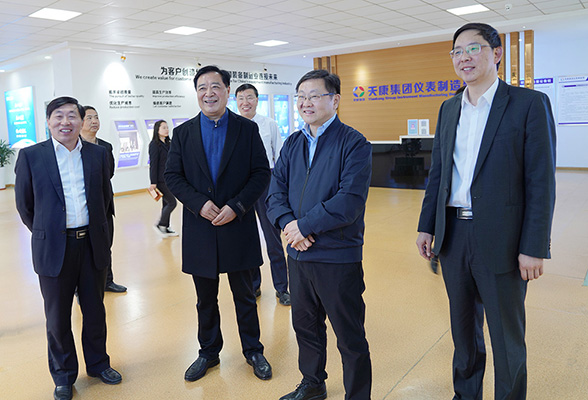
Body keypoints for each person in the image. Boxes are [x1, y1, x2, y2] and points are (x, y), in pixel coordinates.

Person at [416, 22, 556, 400]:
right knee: (463, 332)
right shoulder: (449, 108)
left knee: (506, 337)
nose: (464, 57)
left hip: (504, 238)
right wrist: (427, 226)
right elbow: (439, 173)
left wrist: (534, 246)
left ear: (496, 53)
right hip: (453, 237)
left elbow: (541, 181)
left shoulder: (528, 104)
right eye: (457, 51)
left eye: (473, 48)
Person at [267, 70, 372, 400]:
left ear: (335, 100)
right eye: (300, 96)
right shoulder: (293, 143)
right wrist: (289, 224)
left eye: (314, 95)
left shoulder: (353, 143)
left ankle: (358, 395)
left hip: (337, 256)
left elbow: (349, 201)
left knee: (349, 334)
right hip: (298, 255)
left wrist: (304, 226)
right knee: (305, 326)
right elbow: (275, 192)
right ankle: (313, 383)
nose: (305, 103)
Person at [164, 65, 272, 382]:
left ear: (227, 91)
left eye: (215, 87)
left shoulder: (246, 129)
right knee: (205, 300)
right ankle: (208, 352)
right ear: (196, 93)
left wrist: (237, 206)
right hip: (201, 227)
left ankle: (253, 350)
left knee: (245, 296)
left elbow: (260, 173)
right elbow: (173, 176)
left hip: (237, 225)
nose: (208, 93)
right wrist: (199, 204)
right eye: (202, 87)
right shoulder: (183, 133)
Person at [14, 97, 123, 400]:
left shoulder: (98, 154)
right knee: (58, 317)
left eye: (72, 116)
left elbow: (104, 199)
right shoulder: (32, 156)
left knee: (95, 310)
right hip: (54, 248)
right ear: (48, 121)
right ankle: (63, 375)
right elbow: (25, 205)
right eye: (58, 116)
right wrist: (49, 233)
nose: (66, 122)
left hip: (91, 244)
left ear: (81, 120)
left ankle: (99, 364)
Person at [235, 83, 290, 306]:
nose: (245, 102)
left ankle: (282, 288)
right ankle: (254, 285)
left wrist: (280, 190)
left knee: (273, 239)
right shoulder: (232, 126)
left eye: (249, 97)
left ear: (257, 100)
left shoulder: (269, 124)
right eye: (241, 98)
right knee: (247, 240)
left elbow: (280, 158)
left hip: (266, 184)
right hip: (240, 188)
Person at [80, 105, 127, 293]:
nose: (94, 121)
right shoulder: (74, 147)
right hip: (82, 205)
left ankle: (107, 281)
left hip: (104, 204)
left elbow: (110, 173)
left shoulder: (106, 147)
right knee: (83, 249)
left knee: (106, 244)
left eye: (96, 117)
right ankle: (81, 286)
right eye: (89, 118)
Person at [148, 119, 179, 238]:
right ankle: (160, 224)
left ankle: (165, 227)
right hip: (160, 180)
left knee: (166, 203)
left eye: (167, 127)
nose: (167, 130)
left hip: (170, 178)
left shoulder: (168, 143)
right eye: (164, 128)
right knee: (172, 202)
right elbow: (153, 164)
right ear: (157, 130)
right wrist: (153, 182)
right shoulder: (154, 145)